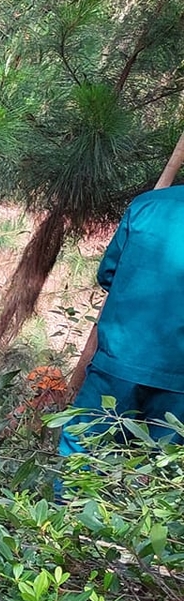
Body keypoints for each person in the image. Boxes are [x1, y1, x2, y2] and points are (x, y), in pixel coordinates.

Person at [59, 184, 184, 459]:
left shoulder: (146, 205)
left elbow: (108, 275)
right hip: (178, 379)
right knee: (158, 469)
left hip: (121, 358)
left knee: (83, 454)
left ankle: (66, 503)